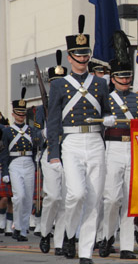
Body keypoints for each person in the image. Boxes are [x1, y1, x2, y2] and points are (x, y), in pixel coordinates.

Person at [47, 15, 113, 264]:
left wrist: (108, 118)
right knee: (75, 194)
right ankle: (68, 233)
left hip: (96, 142)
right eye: (78, 54)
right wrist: (54, 152)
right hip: (71, 144)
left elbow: (107, 110)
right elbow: (53, 122)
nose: (82, 58)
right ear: (70, 56)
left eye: (85, 53)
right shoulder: (59, 85)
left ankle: (85, 252)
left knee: (94, 200)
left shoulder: (100, 83)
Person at [99, 37, 138, 260]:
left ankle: (127, 245)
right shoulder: (105, 100)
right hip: (112, 148)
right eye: (121, 76)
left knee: (131, 200)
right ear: (113, 78)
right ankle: (108, 236)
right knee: (111, 199)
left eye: (128, 76)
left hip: (134, 150)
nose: (125, 80)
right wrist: (104, 120)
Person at [0, 88, 43, 241]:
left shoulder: (32, 130)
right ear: (13, 114)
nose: (21, 116)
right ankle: (16, 226)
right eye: (18, 114)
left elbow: (39, 145)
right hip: (15, 164)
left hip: (29, 163)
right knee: (19, 197)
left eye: (23, 114)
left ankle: (23, 230)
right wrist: (5, 172)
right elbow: (4, 153)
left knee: (27, 199)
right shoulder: (7, 132)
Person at [37, 50, 68, 256]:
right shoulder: (42, 108)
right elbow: (35, 137)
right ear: (50, 84)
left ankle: (60, 241)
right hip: (50, 154)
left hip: (69, 152)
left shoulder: (70, 105)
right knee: (53, 197)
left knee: (67, 199)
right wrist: (44, 133)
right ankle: (46, 231)